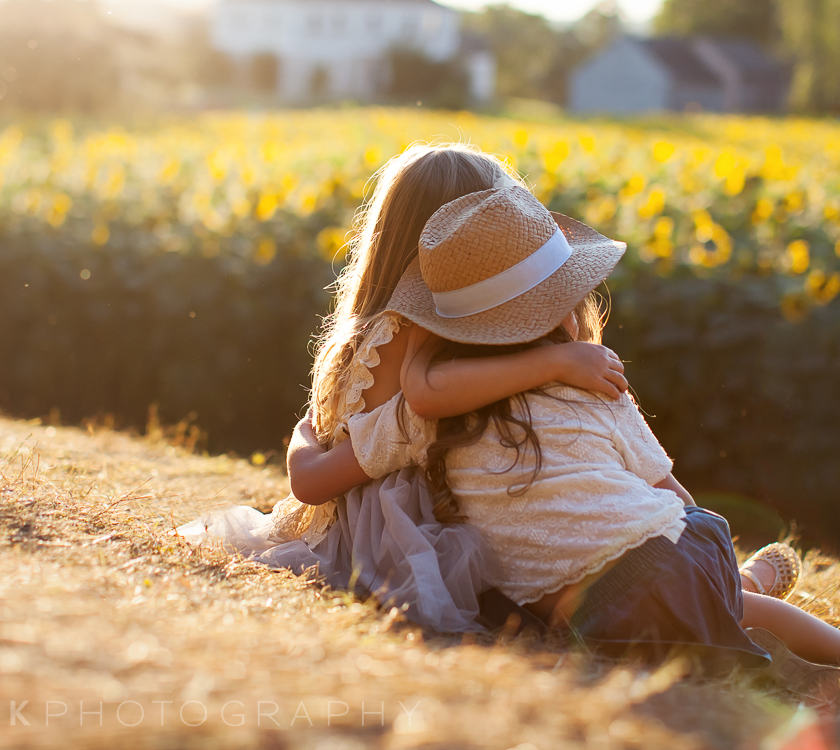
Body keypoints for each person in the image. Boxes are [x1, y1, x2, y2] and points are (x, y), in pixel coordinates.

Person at [292, 184, 840, 691]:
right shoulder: (596, 382)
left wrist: (307, 435)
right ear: (565, 309)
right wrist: (711, 542)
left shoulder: (433, 412)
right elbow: (669, 491)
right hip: (669, 551)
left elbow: (337, 458)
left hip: (592, 615)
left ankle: (741, 585)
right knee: (716, 592)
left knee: (692, 600)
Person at [178, 143, 628, 632]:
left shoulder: (371, 330)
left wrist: (303, 439)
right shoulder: (422, 346)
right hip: (399, 540)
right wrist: (556, 360)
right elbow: (319, 479)